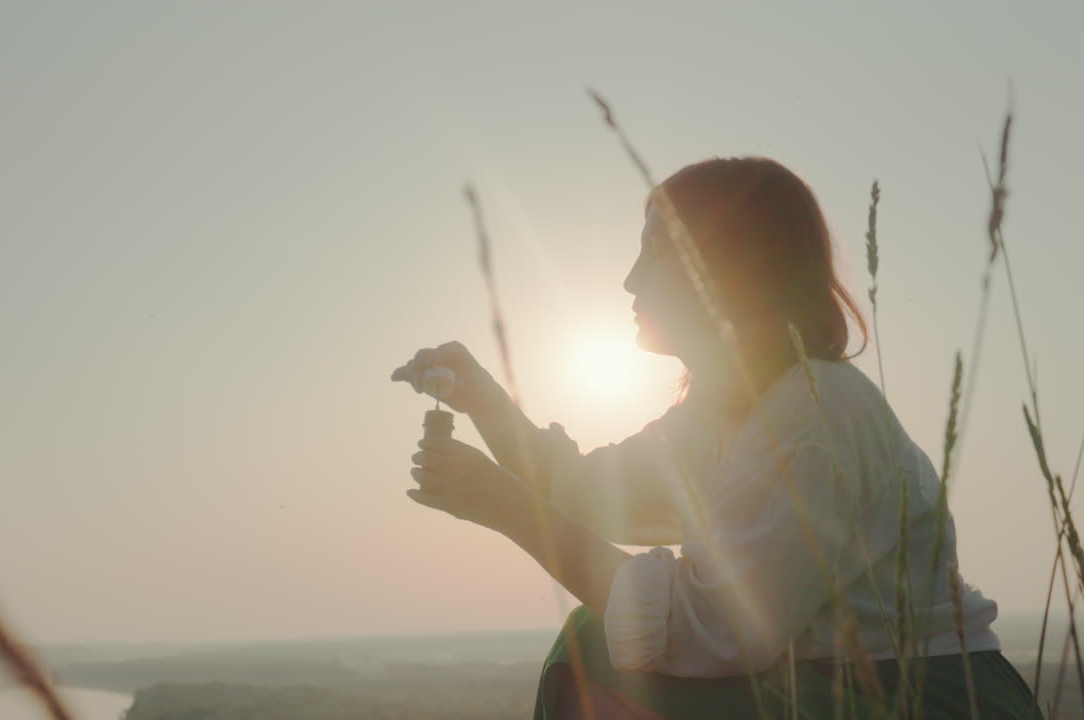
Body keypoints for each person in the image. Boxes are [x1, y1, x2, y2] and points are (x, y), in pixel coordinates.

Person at [390, 158, 1041, 719]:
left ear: (728, 266)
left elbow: (712, 630)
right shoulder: (725, 413)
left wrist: (508, 508)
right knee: (592, 636)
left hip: (923, 696)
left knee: (593, 648)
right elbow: (589, 492)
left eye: (655, 250)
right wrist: (484, 400)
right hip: (829, 685)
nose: (630, 279)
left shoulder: (813, 415)